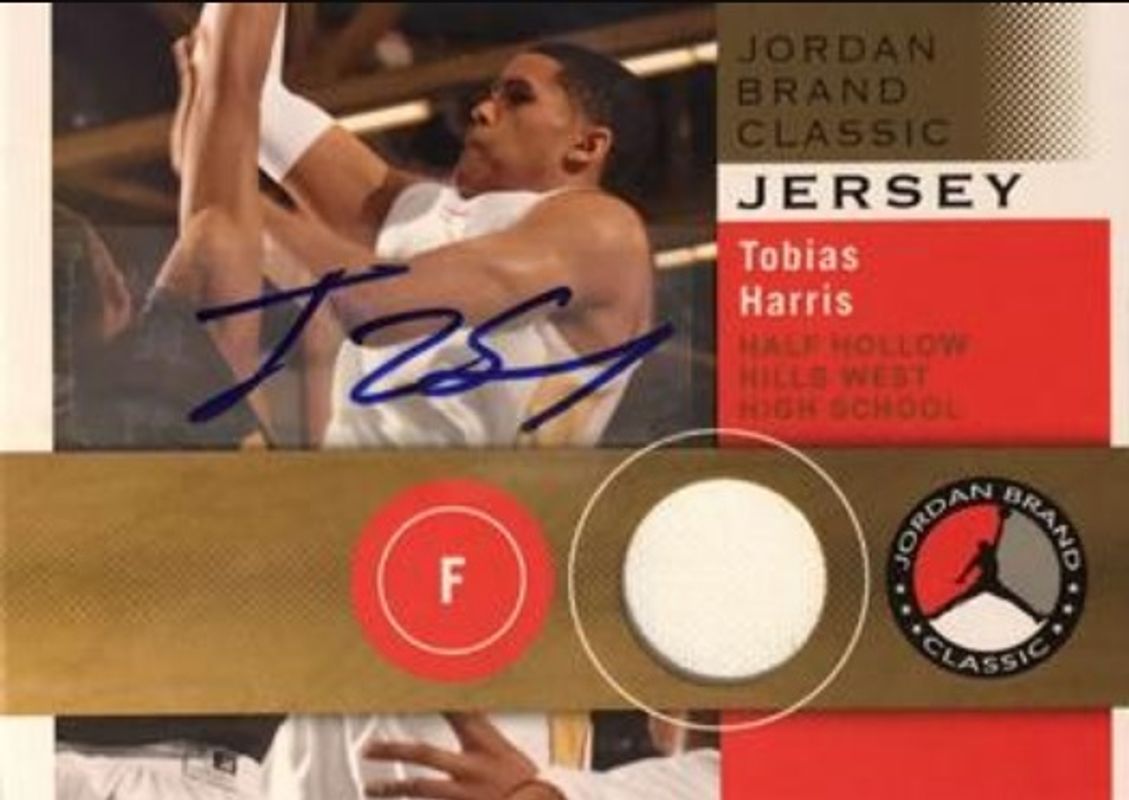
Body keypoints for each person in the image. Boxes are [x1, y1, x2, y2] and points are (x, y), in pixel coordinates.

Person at [54, 6, 289, 799]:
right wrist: (219, 82)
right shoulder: (176, 372)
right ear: (116, 293)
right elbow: (216, 222)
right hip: (172, 770)